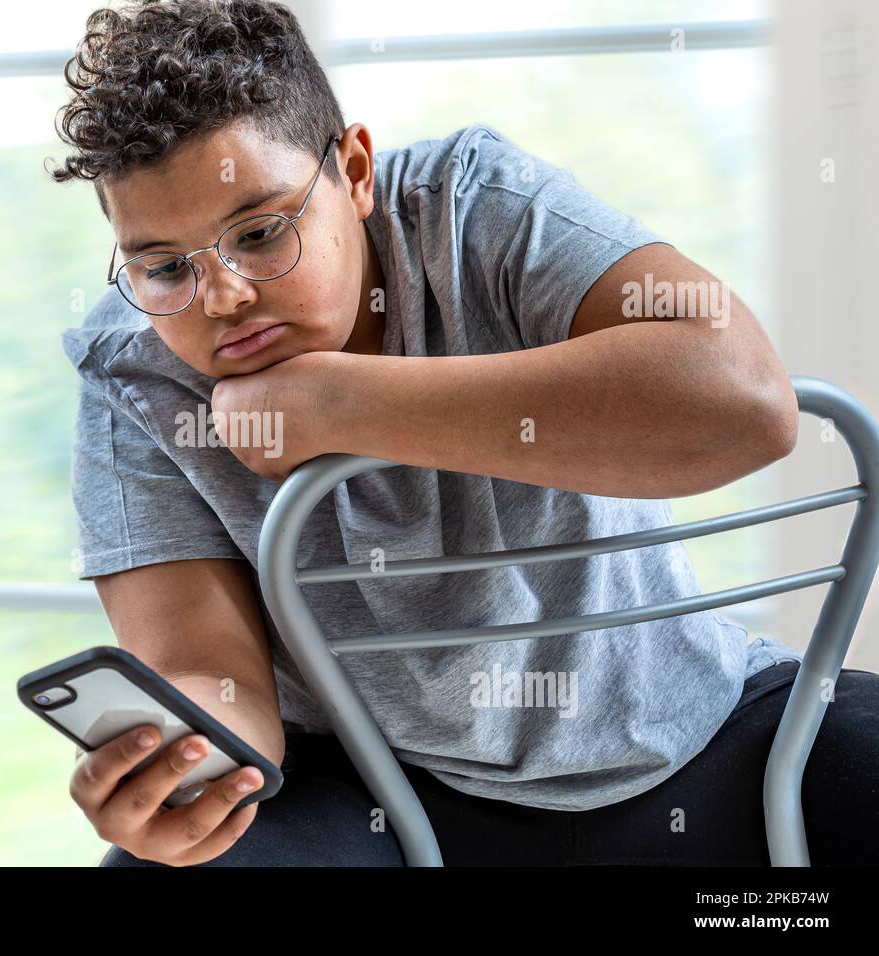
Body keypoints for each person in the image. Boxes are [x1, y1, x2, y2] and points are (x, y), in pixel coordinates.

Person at [48, 0, 879, 866]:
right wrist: (176, 763)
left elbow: (743, 401)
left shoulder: (477, 207)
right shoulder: (131, 371)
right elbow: (209, 673)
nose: (222, 296)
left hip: (698, 739)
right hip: (384, 792)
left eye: (260, 233)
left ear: (355, 170)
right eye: (165, 266)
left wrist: (338, 404)